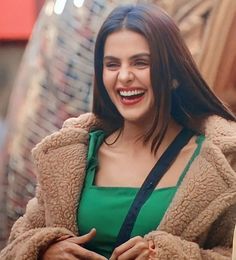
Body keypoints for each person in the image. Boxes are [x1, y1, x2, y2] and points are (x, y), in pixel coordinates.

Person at [1, 3, 236, 260]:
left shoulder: (218, 163)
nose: (124, 76)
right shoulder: (69, 156)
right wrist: (43, 250)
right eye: (112, 65)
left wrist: (169, 255)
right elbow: (16, 244)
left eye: (140, 63)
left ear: (173, 75)